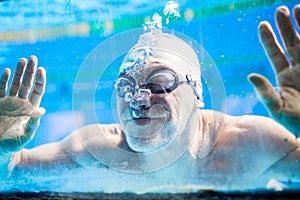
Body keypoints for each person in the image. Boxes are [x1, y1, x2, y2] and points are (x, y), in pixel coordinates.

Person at [0, 5, 300, 190]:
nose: (139, 98)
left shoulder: (249, 144)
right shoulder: (94, 151)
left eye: (159, 83)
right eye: (126, 85)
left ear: (197, 93)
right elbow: (12, 172)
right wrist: (2, 150)